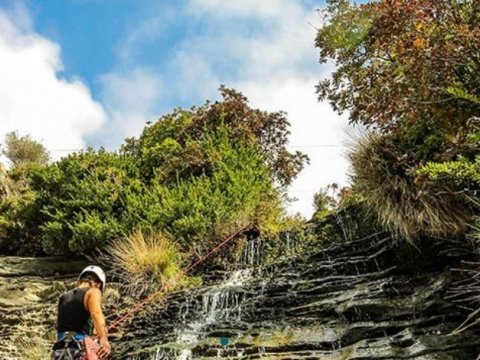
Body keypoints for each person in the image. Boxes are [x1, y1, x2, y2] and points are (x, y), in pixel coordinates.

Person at [51, 265, 112, 359]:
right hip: (81, 348)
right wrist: (103, 338)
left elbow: (60, 325)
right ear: (99, 284)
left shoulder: (63, 297)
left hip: (60, 350)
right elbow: (96, 313)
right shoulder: (94, 291)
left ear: (79, 281)